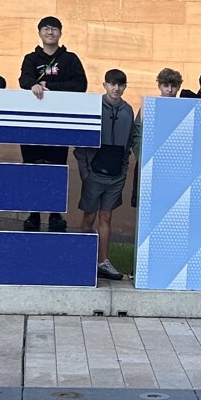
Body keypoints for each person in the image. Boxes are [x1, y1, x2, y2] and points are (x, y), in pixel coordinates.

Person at [18, 16, 88, 231]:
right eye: (46, 28)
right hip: (33, 125)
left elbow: (80, 84)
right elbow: (24, 80)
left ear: (60, 33)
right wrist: (35, 85)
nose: (50, 32)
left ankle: (55, 215)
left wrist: (50, 86)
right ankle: (34, 215)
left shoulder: (70, 59)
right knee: (33, 170)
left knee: (56, 170)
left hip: (59, 125)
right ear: (39, 33)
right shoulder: (31, 58)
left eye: (54, 28)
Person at [77, 69, 134, 280]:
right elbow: (81, 142)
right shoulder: (93, 106)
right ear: (104, 85)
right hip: (93, 172)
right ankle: (82, 259)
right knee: (89, 215)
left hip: (116, 174)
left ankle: (103, 261)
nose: (116, 88)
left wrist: (124, 170)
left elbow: (129, 144)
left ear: (125, 87)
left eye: (120, 84)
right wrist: (84, 170)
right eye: (112, 84)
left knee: (107, 216)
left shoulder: (128, 110)